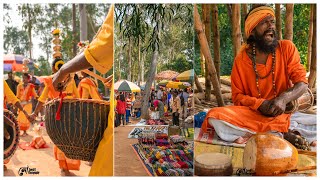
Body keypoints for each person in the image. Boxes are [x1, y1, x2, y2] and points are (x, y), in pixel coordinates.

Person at [201, 5, 314, 148]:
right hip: (253, 114)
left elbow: (302, 83)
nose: (270, 26)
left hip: (284, 114)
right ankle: (280, 134)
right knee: (214, 116)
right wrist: (260, 104)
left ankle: (274, 132)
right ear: (252, 31)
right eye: (264, 23)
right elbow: (237, 97)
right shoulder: (241, 60)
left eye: (272, 22)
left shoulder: (286, 48)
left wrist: (283, 99)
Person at [51, 4, 114, 176]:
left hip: (77, 117)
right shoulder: (82, 81)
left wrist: (64, 70)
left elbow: (102, 47)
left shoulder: (84, 82)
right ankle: (64, 167)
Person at [30, 58, 81, 176]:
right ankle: (68, 165)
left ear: (53, 68)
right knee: (70, 138)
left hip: (58, 115)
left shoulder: (50, 80)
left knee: (61, 139)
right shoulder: (71, 80)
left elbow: (42, 100)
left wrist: (34, 113)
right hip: (71, 114)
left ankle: (64, 166)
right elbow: (78, 98)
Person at [3, 80, 31, 170]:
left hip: (3, 114)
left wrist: (25, 112)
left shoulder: (2, 82)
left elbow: (13, 98)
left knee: (5, 138)